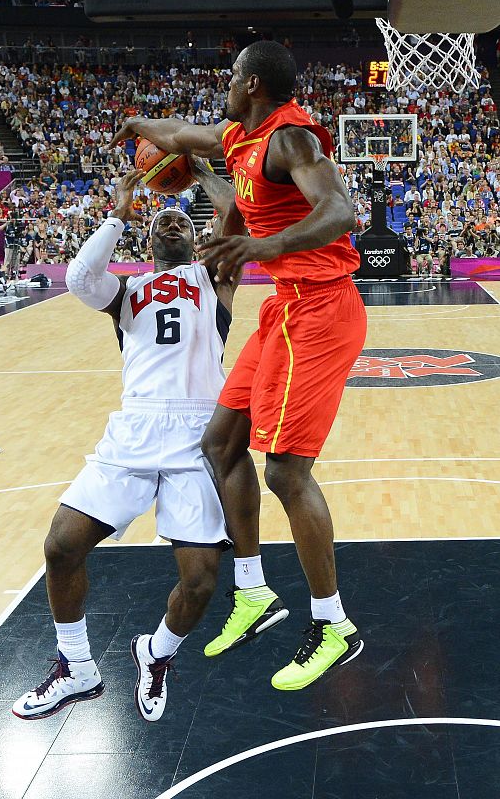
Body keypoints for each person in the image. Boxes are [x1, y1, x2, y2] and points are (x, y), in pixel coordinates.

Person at [109, 40, 366, 691]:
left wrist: (261, 242)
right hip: (284, 305)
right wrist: (139, 124)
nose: (224, 84)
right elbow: (178, 134)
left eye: (230, 76)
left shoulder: (291, 140)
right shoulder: (236, 136)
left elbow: (340, 211)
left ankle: (332, 622)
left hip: (322, 308)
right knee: (220, 442)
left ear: (252, 84)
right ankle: (252, 591)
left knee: (283, 469)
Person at [12, 160, 246, 723]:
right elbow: (77, 279)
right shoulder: (126, 292)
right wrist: (119, 209)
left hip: (198, 435)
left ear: (195, 237)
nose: (171, 224)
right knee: (60, 546)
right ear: (146, 239)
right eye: (160, 221)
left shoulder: (215, 279)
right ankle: (78, 667)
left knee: (200, 582)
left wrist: (196, 169)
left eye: (181, 222)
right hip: (137, 427)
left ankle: (156, 652)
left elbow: (237, 221)